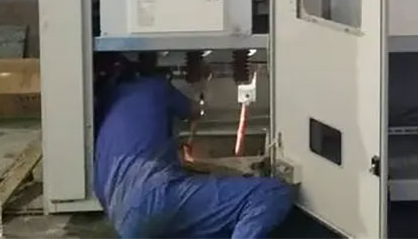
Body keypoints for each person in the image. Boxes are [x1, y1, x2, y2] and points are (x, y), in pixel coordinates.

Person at [93, 61, 293, 238]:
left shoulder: (106, 109)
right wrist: (203, 88)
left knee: (219, 228)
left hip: (123, 220)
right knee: (270, 193)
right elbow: (195, 111)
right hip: (156, 197)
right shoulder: (155, 86)